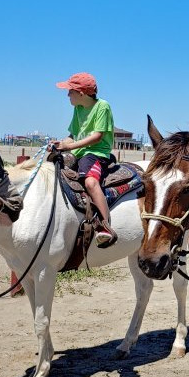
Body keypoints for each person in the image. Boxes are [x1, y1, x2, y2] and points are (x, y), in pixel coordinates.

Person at [50, 72, 118, 248]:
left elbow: (97, 136)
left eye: (70, 91)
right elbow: (73, 135)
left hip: (95, 153)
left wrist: (70, 147)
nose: (67, 95)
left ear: (81, 93)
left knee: (90, 182)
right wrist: (61, 143)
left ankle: (105, 226)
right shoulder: (78, 109)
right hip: (79, 152)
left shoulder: (102, 106)